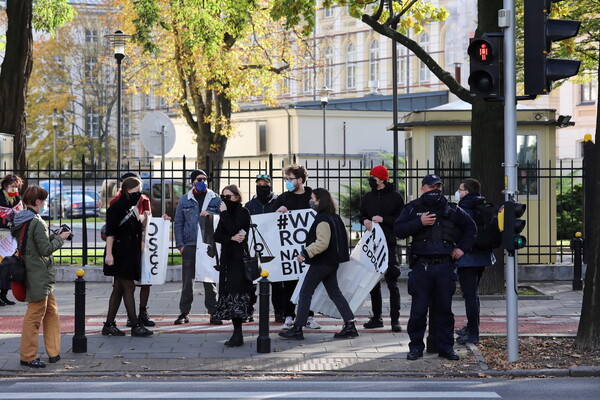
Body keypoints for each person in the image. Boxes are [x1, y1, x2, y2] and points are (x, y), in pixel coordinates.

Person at [394, 174, 476, 361]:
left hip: (444, 267)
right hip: (421, 267)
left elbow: (471, 229)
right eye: (431, 187)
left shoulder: (451, 209)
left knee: (444, 312)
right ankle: (415, 347)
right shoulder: (413, 208)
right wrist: (419, 222)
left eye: (438, 188)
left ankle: (446, 348)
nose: (435, 191)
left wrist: (462, 248)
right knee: (418, 311)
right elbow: (398, 230)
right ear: (423, 189)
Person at [279, 188, 357, 340]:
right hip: (332, 262)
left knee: (305, 293)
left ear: (320, 201)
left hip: (322, 262)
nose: (311, 202)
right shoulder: (334, 217)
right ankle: (350, 324)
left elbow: (322, 243)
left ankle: (297, 328)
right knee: (335, 293)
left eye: (313, 199)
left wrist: (305, 253)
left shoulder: (322, 219)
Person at [12, 185, 70, 368]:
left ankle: (53, 351)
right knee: (35, 315)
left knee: (51, 312)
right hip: (39, 273)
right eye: (43, 201)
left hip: (33, 271)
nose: (44, 204)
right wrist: (61, 239)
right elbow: (45, 249)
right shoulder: (36, 221)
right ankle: (28, 355)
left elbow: (33, 244)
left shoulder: (21, 218)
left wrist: (53, 236)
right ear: (37, 202)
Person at [102, 177, 153, 337]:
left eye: (140, 192)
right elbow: (110, 233)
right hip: (119, 254)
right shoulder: (116, 208)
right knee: (128, 287)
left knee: (118, 289)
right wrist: (109, 255)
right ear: (126, 191)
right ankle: (135, 325)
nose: (138, 195)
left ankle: (109, 324)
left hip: (128, 254)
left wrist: (150, 219)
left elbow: (138, 228)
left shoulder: (133, 208)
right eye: (135, 192)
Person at [273, 164, 320, 330]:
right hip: (289, 250)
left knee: (309, 282)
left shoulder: (312, 196)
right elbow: (273, 220)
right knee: (290, 283)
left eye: (290, 179)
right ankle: (289, 315)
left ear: (300, 180)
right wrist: (278, 211)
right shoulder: (283, 198)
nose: (287, 182)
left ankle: (309, 316)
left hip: (310, 247)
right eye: (286, 179)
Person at [359, 165, 404, 332]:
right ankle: (377, 317)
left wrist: (383, 219)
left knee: (392, 282)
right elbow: (362, 213)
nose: (372, 180)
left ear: (382, 179)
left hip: (389, 243)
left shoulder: (395, 197)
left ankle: (395, 320)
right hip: (372, 243)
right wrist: (365, 220)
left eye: (374, 177)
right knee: (373, 283)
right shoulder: (368, 197)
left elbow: (401, 219)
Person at [174, 170, 222, 325]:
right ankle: (184, 312)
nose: (203, 181)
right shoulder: (185, 199)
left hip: (208, 244)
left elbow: (223, 218)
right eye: (199, 179)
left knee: (210, 280)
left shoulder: (215, 198)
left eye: (205, 179)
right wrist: (180, 245)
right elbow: (178, 223)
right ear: (193, 181)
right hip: (190, 244)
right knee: (188, 281)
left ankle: (213, 312)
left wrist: (211, 215)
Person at [454, 178, 495, 345]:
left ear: (467, 192)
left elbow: (458, 233)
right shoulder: (483, 206)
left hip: (467, 258)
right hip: (483, 257)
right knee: (474, 295)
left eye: (461, 189)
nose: (459, 192)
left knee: (470, 296)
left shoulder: (463, 209)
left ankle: (473, 334)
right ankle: (472, 327)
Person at [213, 185, 253, 346]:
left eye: (228, 197)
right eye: (223, 197)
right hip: (227, 260)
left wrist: (224, 215)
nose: (225, 200)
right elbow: (217, 235)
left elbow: (237, 230)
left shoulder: (243, 212)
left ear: (237, 196)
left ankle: (238, 334)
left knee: (238, 295)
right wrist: (230, 238)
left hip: (239, 260)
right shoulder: (225, 214)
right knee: (229, 294)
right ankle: (236, 333)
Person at [244, 174, 284, 323]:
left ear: (270, 185)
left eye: (265, 184)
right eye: (259, 184)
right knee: (252, 281)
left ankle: (279, 312)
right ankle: (249, 310)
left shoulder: (278, 202)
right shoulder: (249, 205)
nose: (262, 187)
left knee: (277, 283)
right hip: (255, 248)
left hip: (274, 248)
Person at [0, 174, 24, 306]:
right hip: (1, 234)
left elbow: (20, 213)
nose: (14, 189)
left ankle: (3, 294)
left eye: (16, 187)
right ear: (5, 186)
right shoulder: (0, 197)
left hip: (10, 236)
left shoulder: (17, 198)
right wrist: (5, 222)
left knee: (7, 266)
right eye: (12, 186)